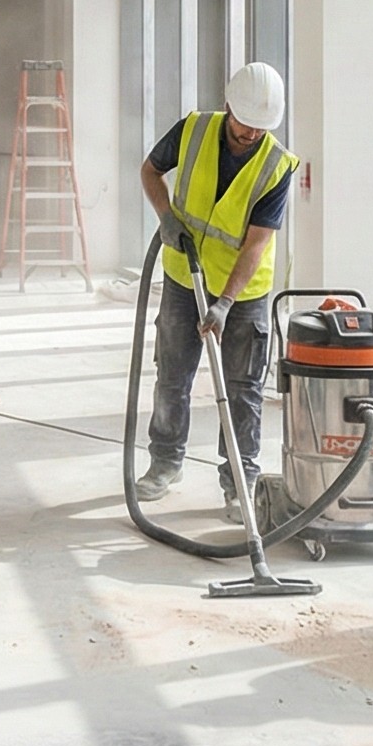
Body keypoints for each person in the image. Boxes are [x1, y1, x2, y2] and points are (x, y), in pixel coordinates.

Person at [132, 62, 299, 514]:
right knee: (173, 376)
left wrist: (225, 302)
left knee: (242, 388)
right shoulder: (193, 130)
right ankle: (165, 462)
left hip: (243, 296)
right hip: (184, 278)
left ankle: (239, 480)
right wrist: (165, 217)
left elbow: (257, 242)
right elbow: (150, 170)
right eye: (245, 126)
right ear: (228, 108)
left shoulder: (276, 165)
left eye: (261, 129)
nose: (251, 136)